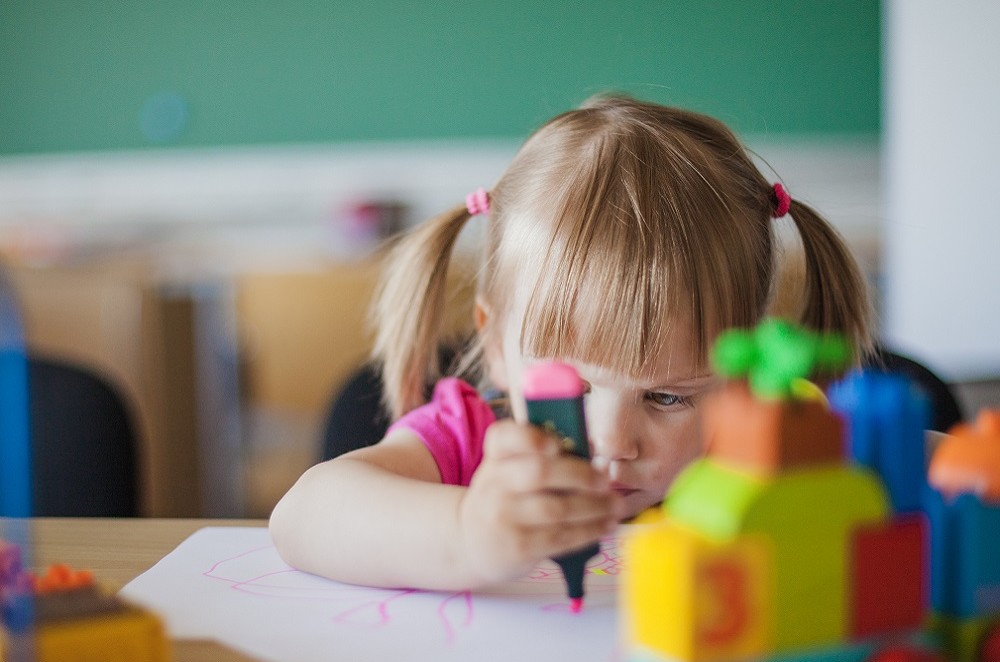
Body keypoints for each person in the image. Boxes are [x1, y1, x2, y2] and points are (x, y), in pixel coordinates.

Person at [269, 94, 873, 590]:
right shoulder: (469, 447)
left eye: (666, 397)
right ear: (498, 346)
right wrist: (468, 535)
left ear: (744, 373)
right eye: (572, 388)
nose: (611, 441)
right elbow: (302, 517)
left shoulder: (758, 447)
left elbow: (929, 464)